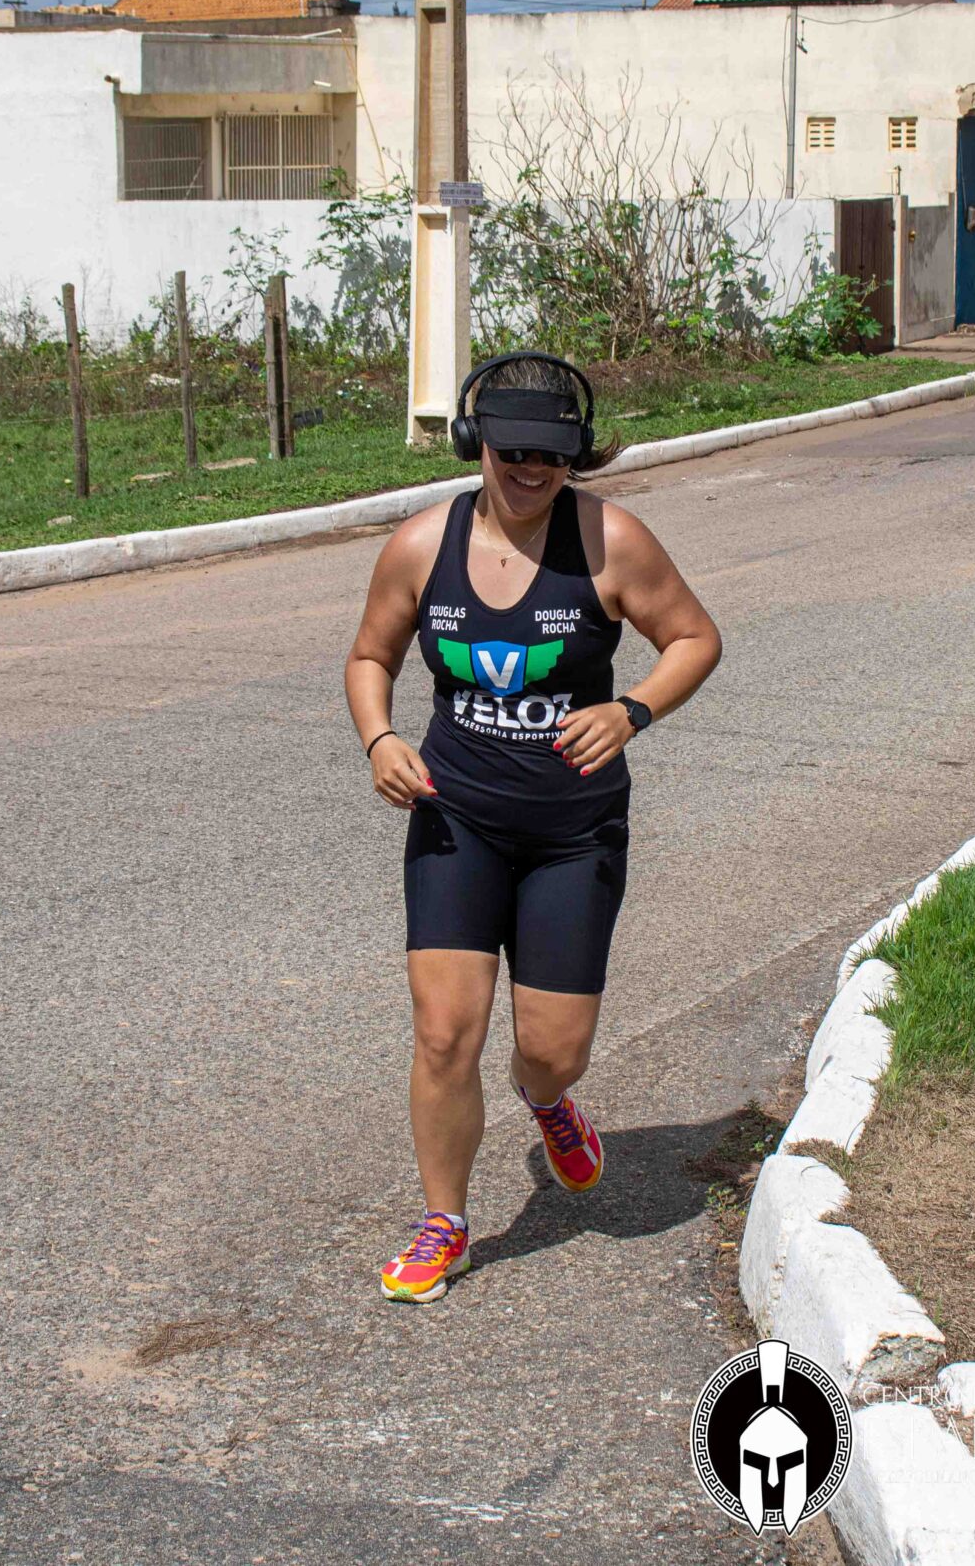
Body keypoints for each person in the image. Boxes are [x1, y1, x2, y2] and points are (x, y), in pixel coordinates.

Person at [344, 352, 722, 1304]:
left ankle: (547, 1099)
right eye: (511, 450)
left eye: (550, 455)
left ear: (573, 455)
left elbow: (694, 637)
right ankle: (445, 1222)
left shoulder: (611, 541)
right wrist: (379, 737)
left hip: (572, 833)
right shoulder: (421, 545)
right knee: (444, 1033)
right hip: (456, 820)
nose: (529, 470)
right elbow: (369, 655)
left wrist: (631, 710)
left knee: (553, 1046)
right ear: (476, 443)